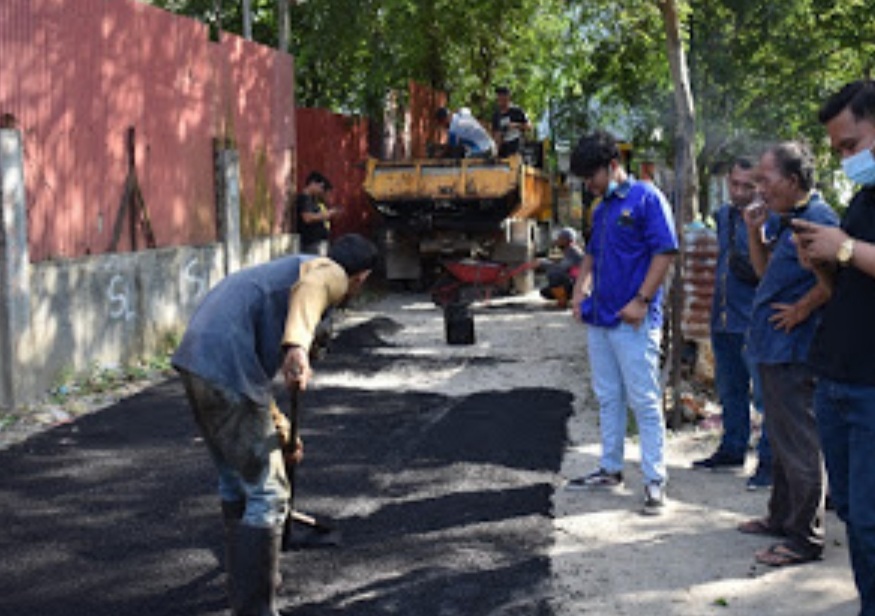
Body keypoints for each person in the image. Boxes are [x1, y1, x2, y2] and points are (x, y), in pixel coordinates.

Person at [172, 234, 378, 616]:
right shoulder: (327, 273)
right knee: (269, 494)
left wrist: (285, 434)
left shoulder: (289, 272)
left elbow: (255, 394)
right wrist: (298, 347)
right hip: (225, 365)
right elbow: (315, 289)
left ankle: (244, 580)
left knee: (235, 479)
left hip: (197, 358)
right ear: (360, 278)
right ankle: (254, 607)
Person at [565, 130, 678, 516]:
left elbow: (665, 252)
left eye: (591, 177)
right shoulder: (602, 209)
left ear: (613, 166)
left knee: (644, 400)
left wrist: (642, 301)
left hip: (635, 320)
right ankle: (610, 469)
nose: (589, 185)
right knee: (608, 396)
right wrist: (580, 291)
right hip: (602, 317)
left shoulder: (647, 198)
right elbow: (592, 257)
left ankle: (655, 480)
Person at [793, 80, 875, 614]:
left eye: (852, 145)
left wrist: (842, 247)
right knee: (852, 511)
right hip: (839, 377)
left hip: (872, 389)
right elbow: (849, 281)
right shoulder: (864, 200)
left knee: (870, 518)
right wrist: (822, 260)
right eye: (839, 150)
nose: (846, 159)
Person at [736, 142, 838, 567]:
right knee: (779, 438)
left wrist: (802, 308)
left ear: (792, 181)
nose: (759, 188)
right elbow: (764, 275)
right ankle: (780, 517)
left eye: (765, 179)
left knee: (799, 443)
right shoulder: (785, 220)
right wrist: (754, 231)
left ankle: (805, 537)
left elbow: (836, 280)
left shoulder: (820, 220)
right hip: (771, 348)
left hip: (794, 351)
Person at [692, 158, 773, 490]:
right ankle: (732, 448)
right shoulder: (723, 216)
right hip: (723, 318)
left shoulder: (768, 218)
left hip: (754, 320)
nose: (739, 192)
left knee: (766, 398)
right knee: (730, 390)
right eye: (734, 184)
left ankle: (769, 462)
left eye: (747, 186)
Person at [539, 227, 584, 309]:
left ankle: (563, 302)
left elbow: (561, 267)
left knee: (554, 273)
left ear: (566, 240)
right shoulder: (570, 249)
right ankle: (567, 299)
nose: (558, 241)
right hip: (576, 283)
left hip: (577, 285)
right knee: (545, 291)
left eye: (560, 238)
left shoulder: (572, 250)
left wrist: (543, 263)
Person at [295, 171, 338, 256]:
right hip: (311, 243)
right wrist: (327, 214)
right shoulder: (304, 199)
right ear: (313, 183)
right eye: (320, 187)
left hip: (317, 242)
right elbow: (307, 218)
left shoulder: (313, 200)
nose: (321, 190)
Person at [491, 86, 530, 158]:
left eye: (502, 96)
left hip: (516, 146)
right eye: (498, 96)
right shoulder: (496, 115)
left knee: (514, 163)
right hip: (503, 149)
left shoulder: (517, 111)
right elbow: (496, 135)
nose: (499, 98)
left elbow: (529, 127)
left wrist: (516, 125)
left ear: (508, 97)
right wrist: (495, 151)